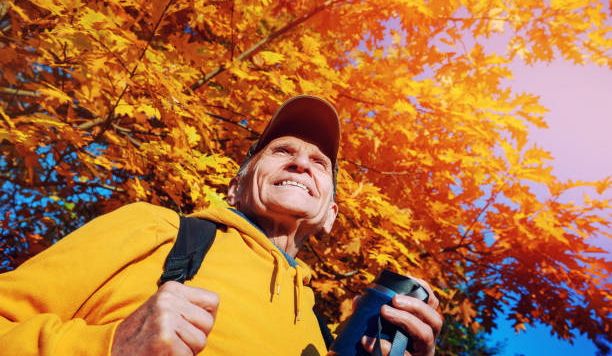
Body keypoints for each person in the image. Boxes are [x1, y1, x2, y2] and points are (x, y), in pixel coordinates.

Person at [0, 95, 442, 356]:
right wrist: (110, 346)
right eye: (280, 150)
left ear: (330, 216)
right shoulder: (158, 231)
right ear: (235, 187)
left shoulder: (320, 334)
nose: (301, 161)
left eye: (320, 163)